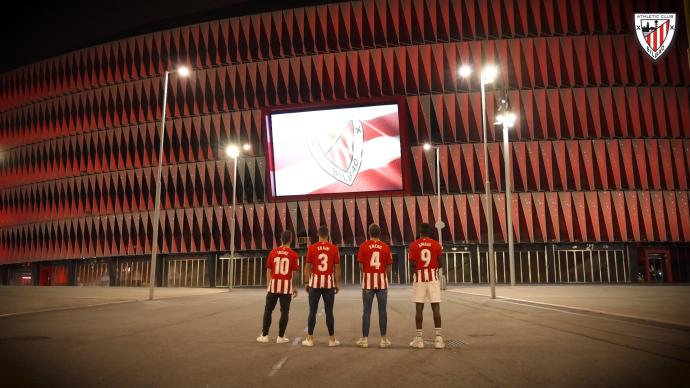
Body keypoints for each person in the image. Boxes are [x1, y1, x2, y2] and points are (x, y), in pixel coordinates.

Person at [257, 230, 299, 344]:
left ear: (281, 239)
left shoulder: (273, 252)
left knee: (268, 311)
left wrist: (269, 284)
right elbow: (294, 272)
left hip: (273, 286)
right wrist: (295, 287)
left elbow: (268, 270)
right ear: (291, 240)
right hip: (286, 287)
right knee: (284, 312)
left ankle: (265, 335)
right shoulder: (293, 254)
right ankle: (280, 337)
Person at [302, 225, 341, 347]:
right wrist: (337, 283)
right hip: (329, 285)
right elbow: (337, 267)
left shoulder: (312, 248)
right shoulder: (334, 248)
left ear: (318, 235)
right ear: (328, 235)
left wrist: (307, 282)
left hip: (315, 284)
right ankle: (332, 339)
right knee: (329, 312)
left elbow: (307, 266)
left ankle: (310, 339)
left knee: (312, 311)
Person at [356, 223, 393, 348]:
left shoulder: (363, 246)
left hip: (368, 283)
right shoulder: (385, 247)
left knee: (366, 312)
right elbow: (388, 267)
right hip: (382, 283)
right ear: (380, 233)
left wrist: (365, 275)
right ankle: (383, 340)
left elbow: (361, 265)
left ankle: (365, 340)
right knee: (383, 311)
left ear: (369, 233)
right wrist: (384, 278)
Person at [408, 222, 444, 349]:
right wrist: (432, 268)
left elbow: (411, 263)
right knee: (436, 307)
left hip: (420, 278)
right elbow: (441, 263)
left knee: (419, 308)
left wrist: (418, 271)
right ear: (429, 232)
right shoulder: (436, 245)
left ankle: (419, 339)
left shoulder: (414, 245)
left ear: (420, 232)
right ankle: (438, 339)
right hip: (433, 277)